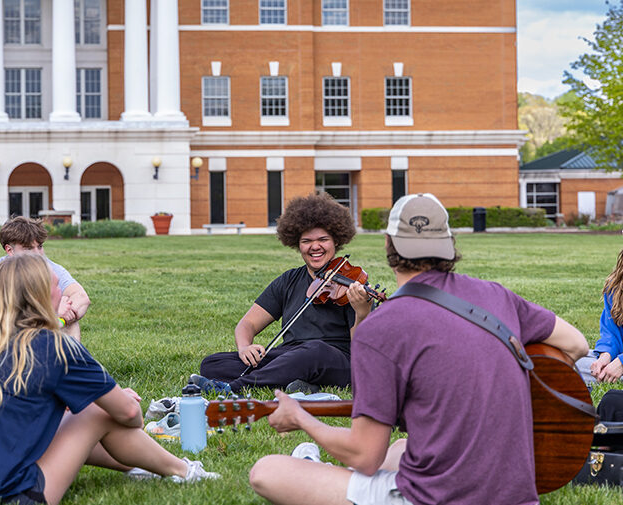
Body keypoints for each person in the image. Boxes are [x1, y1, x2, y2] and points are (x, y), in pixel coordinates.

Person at [249, 193, 589, 505]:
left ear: (388, 245)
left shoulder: (379, 328)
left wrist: (301, 418)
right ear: (449, 244)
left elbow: (364, 455)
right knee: (400, 448)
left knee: (267, 472)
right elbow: (576, 344)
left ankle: (313, 463)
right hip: (515, 497)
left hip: (431, 498)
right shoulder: (497, 295)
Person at [0, 254, 218, 504]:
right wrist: (118, 400)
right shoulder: (53, 346)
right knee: (97, 412)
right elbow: (130, 415)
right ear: (39, 296)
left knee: (80, 412)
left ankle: (144, 467)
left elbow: (21, 410)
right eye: (55, 285)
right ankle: (182, 470)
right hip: (6, 494)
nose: (62, 291)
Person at [195, 193, 373, 394]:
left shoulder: (352, 283)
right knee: (213, 363)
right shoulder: (288, 280)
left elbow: (361, 351)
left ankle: (234, 388)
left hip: (336, 360)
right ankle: (298, 382)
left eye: (323, 239)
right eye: (307, 241)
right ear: (297, 244)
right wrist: (245, 347)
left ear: (336, 242)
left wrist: (362, 313)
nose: (315, 246)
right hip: (291, 355)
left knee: (313, 351)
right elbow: (248, 323)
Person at [0, 216, 90, 339]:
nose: (38, 254)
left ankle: (69, 357)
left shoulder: (50, 267)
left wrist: (61, 319)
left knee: (70, 323)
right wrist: (52, 312)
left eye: (40, 246)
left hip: (39, 331)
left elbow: (81, 297)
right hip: (2, 335)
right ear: (9, 250)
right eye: (29, 248)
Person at [588, 248, 623, 382]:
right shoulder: (615, 286)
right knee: (571, 362)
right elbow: (611, 334)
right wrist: (605, 355)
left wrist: (621, 363)